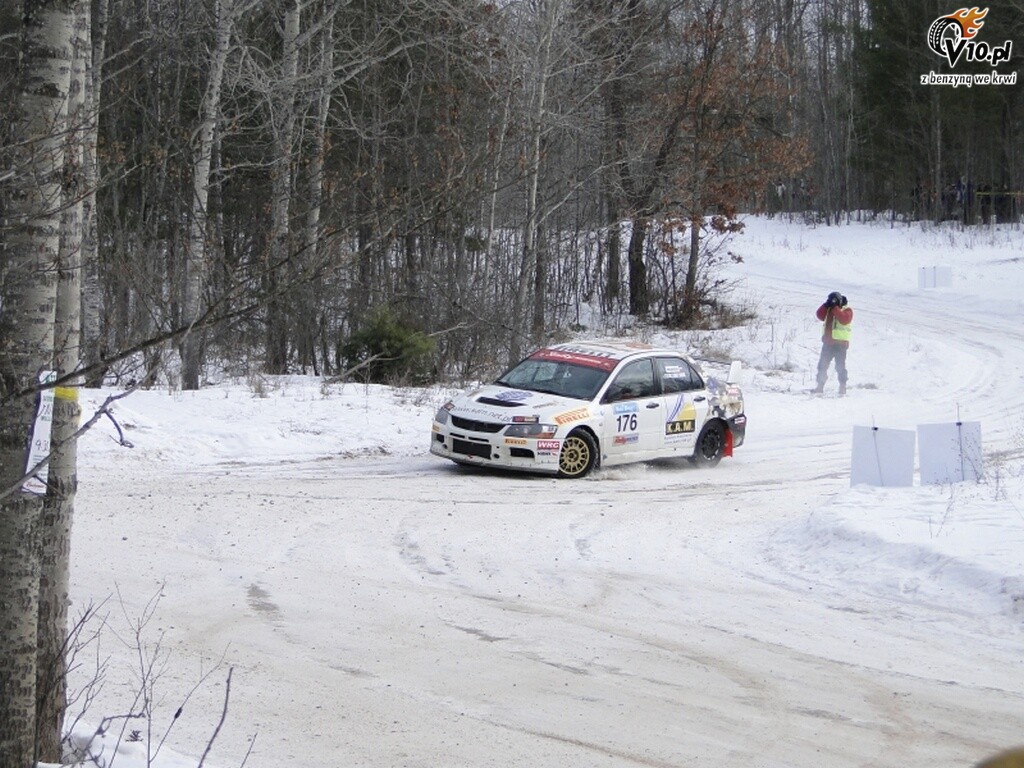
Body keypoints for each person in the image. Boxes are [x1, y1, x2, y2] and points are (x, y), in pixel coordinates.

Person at [813, 290, 853, 395]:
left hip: (840, 345)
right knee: (822, 366)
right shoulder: (829, 309)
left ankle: (842, 386)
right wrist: (826, 305)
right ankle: (820, 386)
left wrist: (835, 307)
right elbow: (819, 315)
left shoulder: (847, 310)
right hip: (828, 344)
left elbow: (844, 319)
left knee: (840, 367)